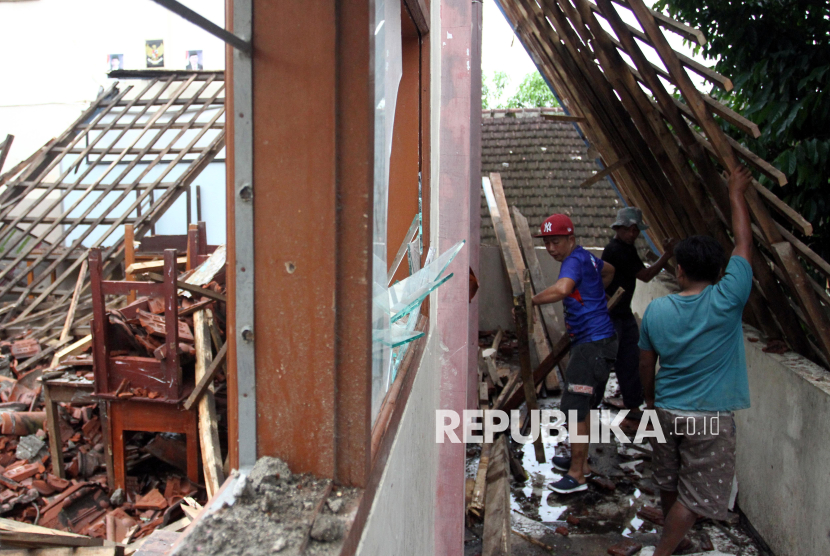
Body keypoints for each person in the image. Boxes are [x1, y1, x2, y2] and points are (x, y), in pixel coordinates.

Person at [638, 165, 754, 556]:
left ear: (679, 269)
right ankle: (664, 551)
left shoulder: (656, 311)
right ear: (722, 272)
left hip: (667, 409)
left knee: (670, 483)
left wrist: (649, 402)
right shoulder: (728, 299)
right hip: (710, 416)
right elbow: (743, 244)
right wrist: (736, 194)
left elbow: (645, 365)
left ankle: (673, 539)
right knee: (698, 496)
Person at [531, 213, 617, 493]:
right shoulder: (588, 258)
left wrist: (532, 300)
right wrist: (593, 295)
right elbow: (610, 271)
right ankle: (582, 463)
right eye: (547, 244)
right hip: (599, 342)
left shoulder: (573, 261)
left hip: (591, 345)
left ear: (571, 239)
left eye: (556, 242)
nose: (552, 249)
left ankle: (577, 474)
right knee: (584, 405)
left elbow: (562, 288)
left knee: (576, 409)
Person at [601, 207, 676, 430]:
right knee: (607, 364)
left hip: (622, 314)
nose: (634, 234)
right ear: (619, 229)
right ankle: (588, 413)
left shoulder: (626, 248)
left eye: (636, 230)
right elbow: (645, 276)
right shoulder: (617, 250)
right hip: (612, 315)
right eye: (630, 230)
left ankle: (633, 412)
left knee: (629, 362)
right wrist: (667, 255)